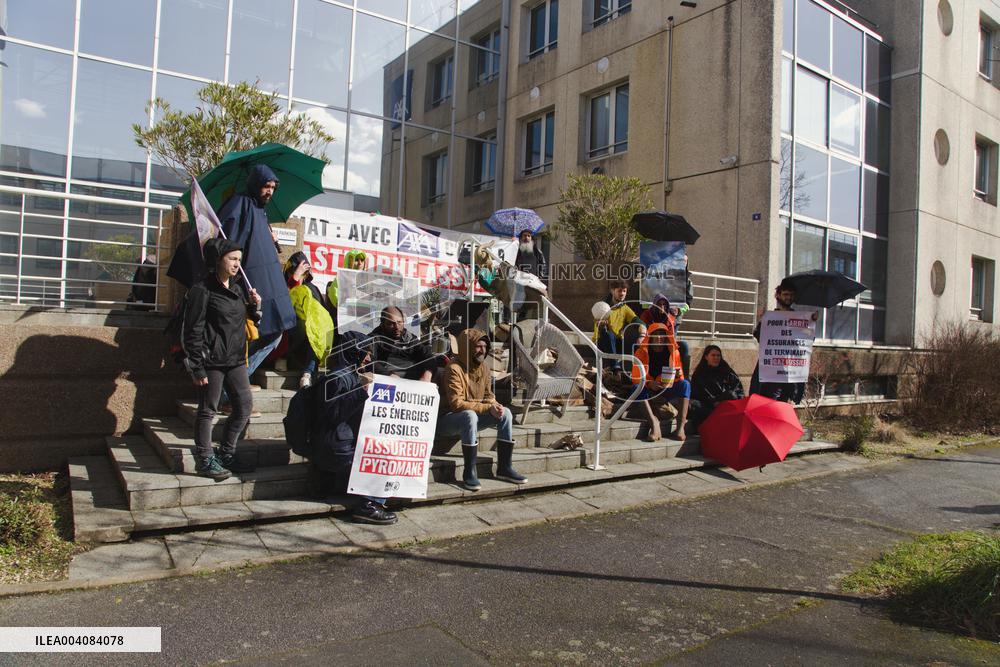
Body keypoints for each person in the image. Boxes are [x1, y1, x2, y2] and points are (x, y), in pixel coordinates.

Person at [181, 238, 262, 480]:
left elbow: (248, 321)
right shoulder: (201, 290)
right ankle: (205, 459)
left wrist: (255, 306)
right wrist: (196, 367)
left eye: (239, 259)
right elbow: (191, 330)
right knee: (208, 411)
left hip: (235, 360)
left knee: (244, 407)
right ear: (218, 260)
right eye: (233, 259)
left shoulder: (237, 289)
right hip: (211, 362)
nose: (238, 264)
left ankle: (227, 453)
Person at [217, 164, 297, 383]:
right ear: (255, 184)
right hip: (248, 287)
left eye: (272, 187)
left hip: (266, 287)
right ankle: (231, 390)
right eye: (265, 186)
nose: (269, 191)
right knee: (256, 336)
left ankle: (235, 386)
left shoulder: (259, 210)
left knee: (274, 332)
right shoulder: (239, 204)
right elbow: (228, 242)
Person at [311, 331, 397, 525]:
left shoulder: (347, 374)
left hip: (339, 446)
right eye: (364, 352)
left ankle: (329, 484)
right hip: (335, 450)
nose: (368, 357)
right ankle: (368, 506)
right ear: (352, 351)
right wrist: (361, 391)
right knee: (383, 461)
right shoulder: (335, 378)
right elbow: (332, 415)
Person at [438, 328, 526, 491]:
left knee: (505, 413)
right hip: (447, 420)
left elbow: (488, 394)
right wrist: (487, 407)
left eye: (485, 346)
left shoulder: (484, 367)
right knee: (469, 415)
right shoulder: (454, 368)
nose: (483, 350)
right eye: (478, 346)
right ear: (467, 347)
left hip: (470, 418)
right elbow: (456, 404)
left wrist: (495, 404)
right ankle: (469, 472)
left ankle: (504, 467)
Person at [750, 279, 818, 403]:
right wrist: (761, 321)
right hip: (771, 372)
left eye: (791, 295)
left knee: (783, 405)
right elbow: (761, 339)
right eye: (786, 294)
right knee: (768, 403)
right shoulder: (769, 318)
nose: (789, 297)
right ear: (778, 295)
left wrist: (811, 323)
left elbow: (808, 340)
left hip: (789, 372)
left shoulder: (800, 319)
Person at [630, 323, 691, 441]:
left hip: (667, 387)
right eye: (656, 335)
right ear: (650, 336)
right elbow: (636, 377)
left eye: (662, 335)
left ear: (666, 336)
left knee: (685, 385)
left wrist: (678, 376)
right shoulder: (640, 352)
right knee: (636, 387)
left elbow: (681, 376)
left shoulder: (674, 352)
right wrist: (649, 383)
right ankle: (654, 423)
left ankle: (680, 428)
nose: (659, 337)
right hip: (648, 388)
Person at [284, 251, 334, 389]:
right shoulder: (284, 286)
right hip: (289, 338)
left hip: (309, 342)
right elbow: (283, 307)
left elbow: (322, 316)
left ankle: (307, 374)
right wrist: (294, 281)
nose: (300, 277)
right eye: (295, 272)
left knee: (316, 331)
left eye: (303, 274)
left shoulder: (312, 289)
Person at [366, 306, 443, 382]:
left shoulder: (409, 338)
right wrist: (388, 375)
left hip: (412, 377)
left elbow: (427, 355)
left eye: (399, 322)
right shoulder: (374, 339)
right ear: (382, 323)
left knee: (442, 373)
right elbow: (368, 362)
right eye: (391, 324)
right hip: (386, 378)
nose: (397, 327)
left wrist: (427, 375)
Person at [593, 280, 646, 376]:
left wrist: (642, 335)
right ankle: (616, 369)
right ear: (612, 291)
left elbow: (638, 321)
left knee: (633, 336)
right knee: (609, 334)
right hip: (601, 341)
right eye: (619, 291)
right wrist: (602, 326)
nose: (622, 294)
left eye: (624, 291)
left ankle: (637, 374)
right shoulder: (602, 306)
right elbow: (598, 328)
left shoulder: (624, 308)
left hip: (618, 342)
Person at [688, 345, 744, 432]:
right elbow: (697, 393)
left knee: (731, 394)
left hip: (726, 405)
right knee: (693, 404)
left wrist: (723, 400)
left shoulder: (727, 371)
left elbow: (738, 390)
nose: (716, 358)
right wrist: (713, 402)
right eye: (713, 355)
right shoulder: (700, 373)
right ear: (706, 357)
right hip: (708, 406)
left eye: (718, 356)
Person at [640, 293, 691, 381]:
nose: (662, 306)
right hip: (650, 343)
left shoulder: (670, 317)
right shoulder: (647, 314)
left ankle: (682, 376)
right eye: (659, 304)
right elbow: (643, 329)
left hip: (665, 344)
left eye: (664, 304)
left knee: (683, 346)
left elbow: (671, 336)